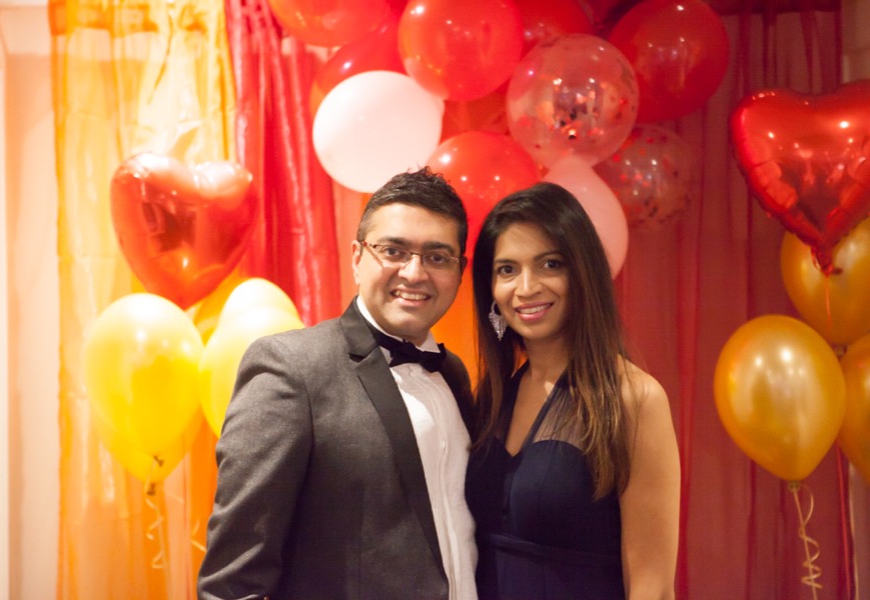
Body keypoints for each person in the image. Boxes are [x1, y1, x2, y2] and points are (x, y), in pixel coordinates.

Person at [198, 167, 478, 600]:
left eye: (437, 257)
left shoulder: (453, 373)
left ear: (460, 270)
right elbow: (233, 580)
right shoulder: (291, 367)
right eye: (393, 251)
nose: (414, 272)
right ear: (356, 257)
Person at [465, 182, 680, 600]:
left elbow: (652, 587)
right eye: (507, 270)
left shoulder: (634, 399)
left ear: (582, 273)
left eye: (549, 264)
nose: (526, 287)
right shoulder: (492, 398)